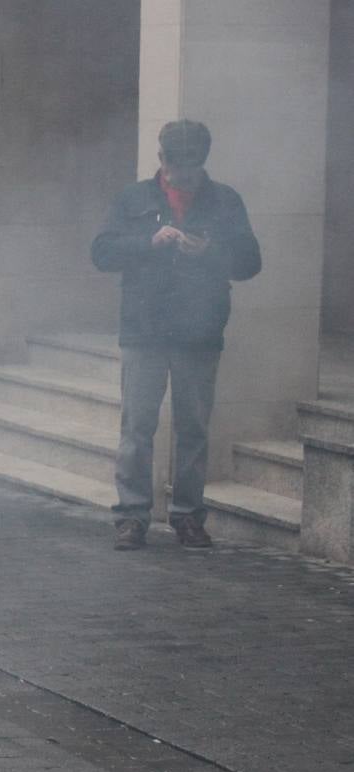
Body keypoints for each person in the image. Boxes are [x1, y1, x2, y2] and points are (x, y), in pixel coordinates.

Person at [92, 119, 261, 551]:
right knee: (136, 427)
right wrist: (148, 242)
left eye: (188, 167)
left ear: (202, 162)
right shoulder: (133, 197)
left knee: (193, 428)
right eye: (172, 165)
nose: (178, 175)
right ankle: (132, 517)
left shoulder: (225, 200)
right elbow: (102, 253)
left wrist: (209, 252)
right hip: (143, 330)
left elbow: (249, 262)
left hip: (199, 333)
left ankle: (187, 516)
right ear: (160, 158)